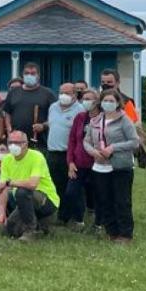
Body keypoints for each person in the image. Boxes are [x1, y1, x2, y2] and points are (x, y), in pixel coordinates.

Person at [83, 90, 139, 243]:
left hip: (120, 166)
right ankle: (112, 232)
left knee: (121, 200)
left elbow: (134, 142)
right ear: (100, 102)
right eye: (105, 100)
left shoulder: (124, 120)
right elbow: (86, 141)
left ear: (117, 102)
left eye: (111, 100)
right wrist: (94, 152)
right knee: (104, 200)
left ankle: (125, 234)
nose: (108, 103)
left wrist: (113, 148)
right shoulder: (96, 121)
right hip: (100, 166)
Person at [0, 130, 59, 240]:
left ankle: (31, 230)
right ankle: (39, 226)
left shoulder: (37, 157)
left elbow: (33, 184)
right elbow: (3, 188)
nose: (13, 145)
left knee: (22, 192)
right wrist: (1, 213)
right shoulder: (6, 160)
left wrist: (10, 182)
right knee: (9, 230)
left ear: (26, 144)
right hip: (24, 202)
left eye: (17, 143)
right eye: (10, 142)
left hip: (46, 200)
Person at [44, 82, 85, 220]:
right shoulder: (53, 107)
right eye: (61, 92)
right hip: (53, 153)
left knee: (72, 188)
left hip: (69, 154)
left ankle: (76, 216)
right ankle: (62, 215)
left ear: (74, 95)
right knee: (56, 186)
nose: (63, 95)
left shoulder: (80, 110)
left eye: (67, 93)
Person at [65, 89, 100, 228]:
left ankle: (98, 222)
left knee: (97, 193)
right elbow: (72, 140)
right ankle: (79, 220)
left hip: (98, 164)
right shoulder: (80, 117)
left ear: (97, 101)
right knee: (72, 192)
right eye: (84, 98)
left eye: (89, 98)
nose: (86, 101)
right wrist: (70, 162)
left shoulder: (103, 118)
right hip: (79, 163)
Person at [1, 63, 57, 149]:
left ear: (38, 76)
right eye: (26, 73)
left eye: (33, 73)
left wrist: (44, 125)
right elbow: (8, 113)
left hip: (40, 142)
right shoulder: (13, 92)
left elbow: (56, 116)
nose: (29, 75)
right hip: (17, 141)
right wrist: (9, 131)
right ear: (23, 75)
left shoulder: (48, 93)